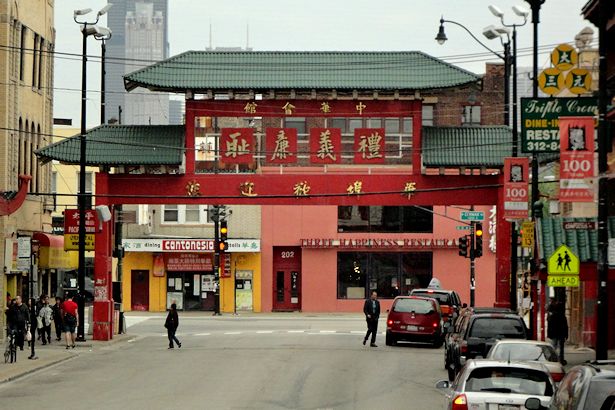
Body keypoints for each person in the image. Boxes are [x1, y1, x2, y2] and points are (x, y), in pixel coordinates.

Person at [547, 298, 568, 365]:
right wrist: (566, 334)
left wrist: (549, 334)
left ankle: (553, 358)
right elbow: (565, 326)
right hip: (561, 333)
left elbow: (549, 326)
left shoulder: (552, 316)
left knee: (554, 346)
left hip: (554, 333)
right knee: (561, 348)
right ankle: (561, 359)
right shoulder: (562, 316)